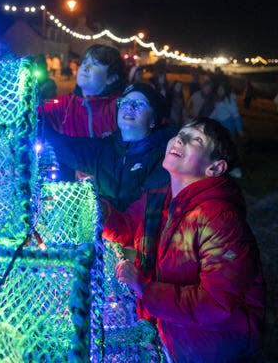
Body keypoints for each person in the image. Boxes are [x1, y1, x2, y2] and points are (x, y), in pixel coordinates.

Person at [107, 118, 265, 362]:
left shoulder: (219, 219)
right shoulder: (160, 198)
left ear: (214, 168)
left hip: (207, 347)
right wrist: (102, 212)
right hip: (170, 333)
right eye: (181, 133)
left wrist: (144, 288)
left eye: (197, 139)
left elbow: (216, 302)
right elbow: (128, 227)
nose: (180, 139)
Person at [42, 83, 175, 215]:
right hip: (104, 230)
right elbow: (61, 147)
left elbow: (142, 211)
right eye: (124, 102)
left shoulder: (162, 157)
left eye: (139, 104)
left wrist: (101, 209)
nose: (129, 107)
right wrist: (31, 116)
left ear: (153, 120)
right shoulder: (105, 148)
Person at [39, 44, 126, 180]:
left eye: (95, 64)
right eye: (84, 62)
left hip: (111, 192)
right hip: (71, 191)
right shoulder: (64, 105)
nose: (85, 67)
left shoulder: (121, 107)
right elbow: (35, 111)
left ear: (111, 78)